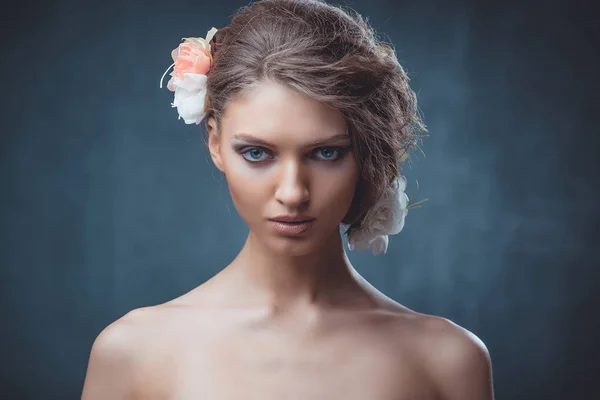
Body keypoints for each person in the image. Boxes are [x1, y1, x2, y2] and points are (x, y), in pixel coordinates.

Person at [81, 0, 494, 398]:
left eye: (326, 152)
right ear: (215, 142)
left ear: (366, 152)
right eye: (257, 153)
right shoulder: (133, 353)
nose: (293, 193)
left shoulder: (448, 361)